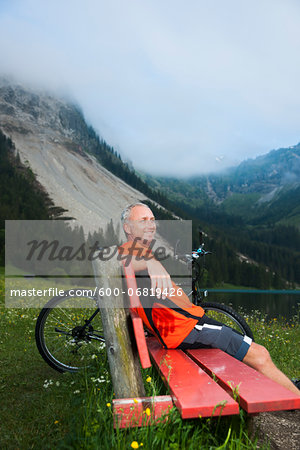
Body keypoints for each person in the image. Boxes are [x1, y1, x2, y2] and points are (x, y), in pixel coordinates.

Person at [119, 202, 300, 395]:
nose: (151, 225)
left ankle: (287, 385)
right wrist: (150, 262)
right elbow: (122, 258)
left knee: (253, 351)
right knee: (260, 355)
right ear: (128, 227)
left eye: (153, 220)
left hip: (188, 325)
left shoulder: (140, 250)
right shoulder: (130, 250)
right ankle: (294, 396)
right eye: (143, 220)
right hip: (187, 329)